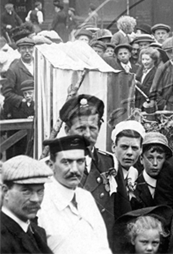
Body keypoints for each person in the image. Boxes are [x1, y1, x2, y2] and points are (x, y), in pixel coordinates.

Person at [59, 94, 131, 241]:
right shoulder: (51, 168)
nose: (87, 134)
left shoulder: (110, 162)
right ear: (67, 129)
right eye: (81, 128)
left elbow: (123, 214)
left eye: (93, 128)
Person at [38, 135, 112, 254]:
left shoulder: (86, 198)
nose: (74, 169)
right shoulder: (41, 202)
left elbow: (102, 246)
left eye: (80, 161)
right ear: (51, 165)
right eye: (66, 162)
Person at [1, 155, 53, 254]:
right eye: (26, 191)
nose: (36, 199)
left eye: (40, 191)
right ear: (5, 191)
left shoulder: (37, 232)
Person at [132, 132, 172, 209]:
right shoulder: (134, 186)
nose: (155, 163)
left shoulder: (171, 185)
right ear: (141, 159)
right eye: (150, 158)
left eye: (159, 158)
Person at [111, 120, 145, 201]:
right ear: (114, 147)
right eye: (124, 147)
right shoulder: (107, 173)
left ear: (141, 150)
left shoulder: (134, 173)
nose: (129, 153)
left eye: (134, 148)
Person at [2, 37, 34, 120]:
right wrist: (22, 100)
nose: (27, 51)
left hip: (39, 110)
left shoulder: (40, 64)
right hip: (21, 112)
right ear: (19, 50)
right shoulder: (14, 69)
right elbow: (7, 92)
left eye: (30, 48)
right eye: (23, 48)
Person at [150, 38, 173, 110]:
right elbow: (154, 93)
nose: (172, 54)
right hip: (169, 109)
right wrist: (165, 105)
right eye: (169, 52)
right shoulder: (162, 69)